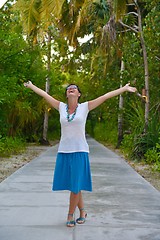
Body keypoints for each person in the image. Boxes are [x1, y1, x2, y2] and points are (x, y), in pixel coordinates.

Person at [24, 81, 137, 227]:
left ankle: (70, 214)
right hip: (64, 151)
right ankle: (83, 211)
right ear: (66, 94)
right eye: (68, 88)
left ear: (79, 94)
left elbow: (105, 96)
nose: (71, 89)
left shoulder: (85, 107)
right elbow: (45, 95)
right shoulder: (61, 107)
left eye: (74, 88)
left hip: (80, 150)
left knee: (76, 185)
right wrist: (32, 86)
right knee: (74, 185)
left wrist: (124, 88)